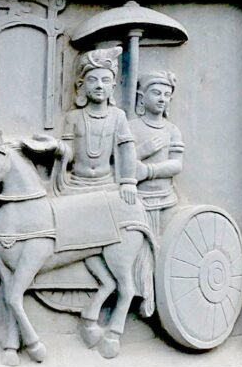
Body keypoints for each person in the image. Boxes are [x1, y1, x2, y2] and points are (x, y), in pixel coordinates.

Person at [51, 46, 137, 205]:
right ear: (81, 85)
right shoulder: (73, 117)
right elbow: (69, 154)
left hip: (107, 184)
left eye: (105, 80)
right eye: (93, 80)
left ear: (113, 87)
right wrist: (56, 147)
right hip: (76, 184)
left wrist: (129, 182)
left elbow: (127, 150)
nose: (99, 86)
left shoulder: (118, 116)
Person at [130, 71, 183, 233]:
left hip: (167, 198)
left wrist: (148, 171)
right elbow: (119, 160)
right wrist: (142, 151)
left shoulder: (172, 130)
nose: (162, 99)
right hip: (138, 198)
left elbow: (176, 164)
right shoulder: (131, 127)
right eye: (156, 93)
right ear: (141, 97)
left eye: (167, 95)